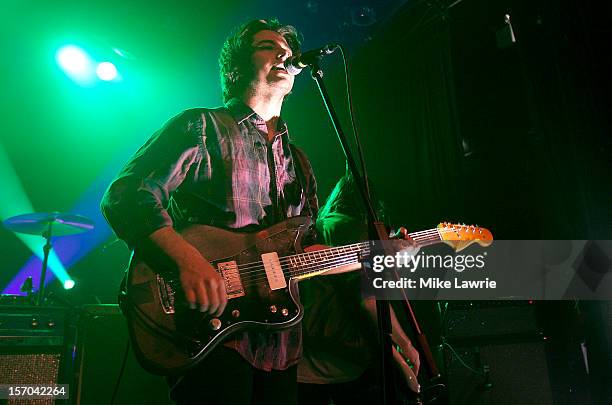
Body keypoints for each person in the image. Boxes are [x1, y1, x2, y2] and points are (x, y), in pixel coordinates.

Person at [101, 19, 318, 405]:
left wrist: (378, 254)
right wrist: (186, 261)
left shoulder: (298, 160)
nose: (285, 53)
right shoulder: (202, 126)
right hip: (208, 330)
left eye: (288, 49)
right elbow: (127, 195)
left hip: (281, 345)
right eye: (269, 46)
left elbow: (306, 249)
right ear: (235, 68)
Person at [298, 169, 421, 405]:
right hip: (343, 365)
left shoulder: (320, 224)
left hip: (305, 361)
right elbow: (369, 301)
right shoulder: (354, 229)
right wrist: (403, 351)